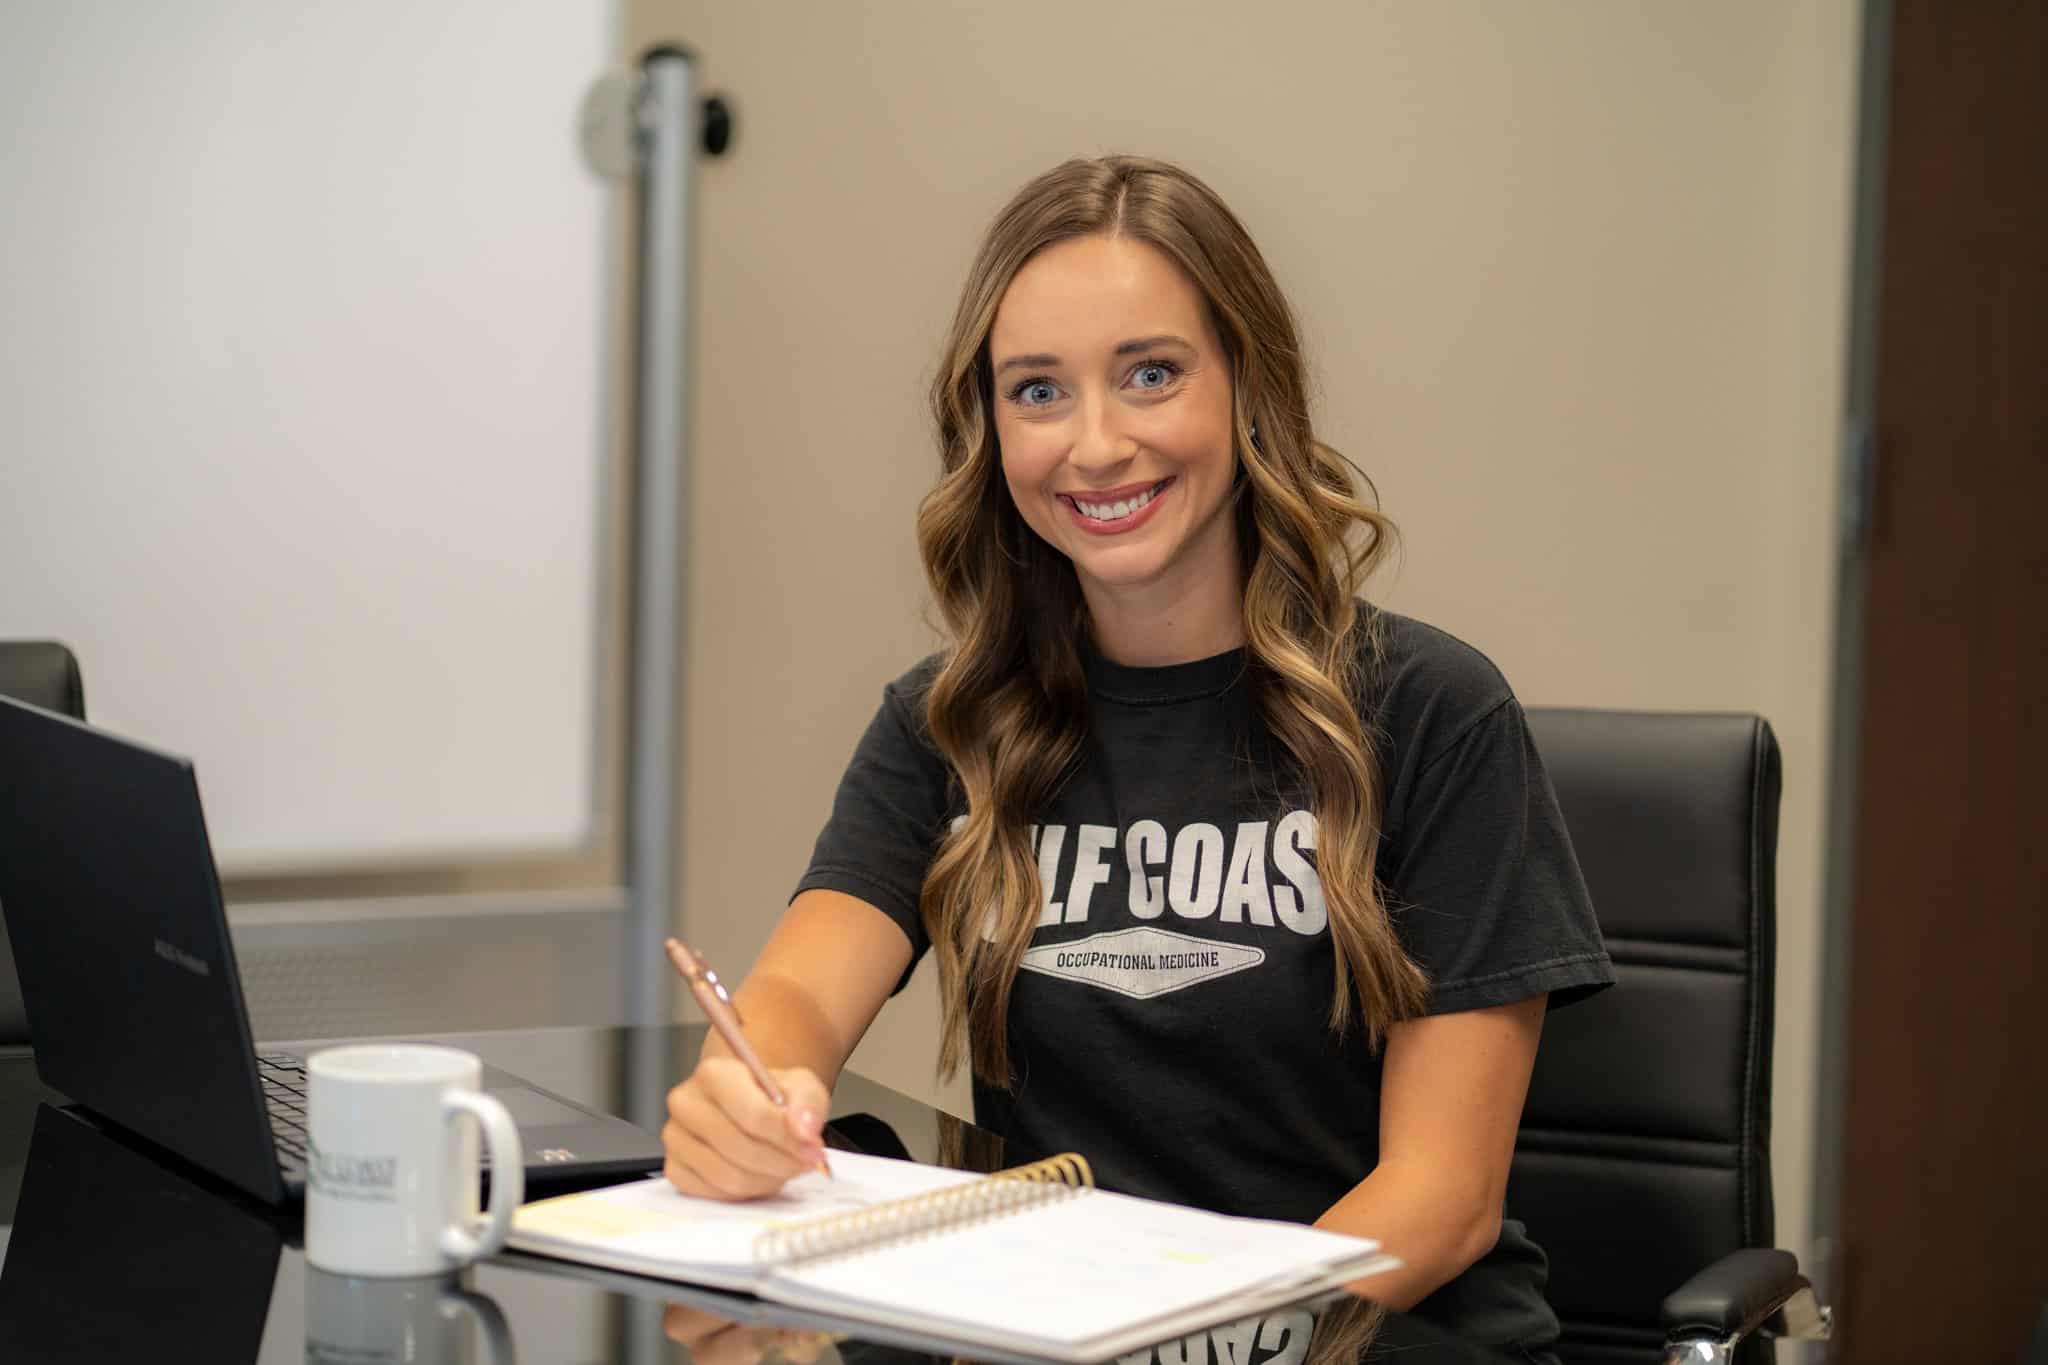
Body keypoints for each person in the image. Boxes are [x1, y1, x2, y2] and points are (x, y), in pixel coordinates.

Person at [660, 155, 1613, 1358]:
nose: (1094, 445)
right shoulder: (948, 722)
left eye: (1149, 375)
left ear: (1245, 389)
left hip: (1363, 1336)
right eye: (1037, 391)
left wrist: (1200, 1327)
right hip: (1066, 1331)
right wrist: (752, 1090)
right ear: (988, 427)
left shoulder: (1429, 712)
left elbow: (1443, 1198)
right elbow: (796, 991)